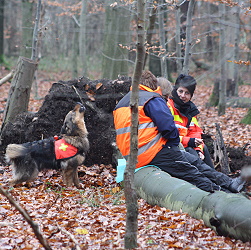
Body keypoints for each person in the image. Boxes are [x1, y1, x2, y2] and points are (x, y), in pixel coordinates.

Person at [113, 70, 245, 193]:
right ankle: (220, 193)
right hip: (150, 152)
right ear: (153, 85)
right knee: (190, 171)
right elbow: (168, 128)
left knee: (193, 161)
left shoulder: (122, 103)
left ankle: (229, 183)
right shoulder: (151, 98)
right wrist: (174, 143)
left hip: (133, 155)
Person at [167, 74, 215, 169]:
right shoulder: (168, 106)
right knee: (190, 151)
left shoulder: (191, 109)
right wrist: (189, 141)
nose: (183, 96)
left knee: (203, 148)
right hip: (172, 147)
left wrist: (198, 149)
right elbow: (167, 135)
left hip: (185, 144)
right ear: (175, 90)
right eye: (180, 91)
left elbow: (195, 132)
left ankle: (216, 178)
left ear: (191, 95)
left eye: (187, 93)